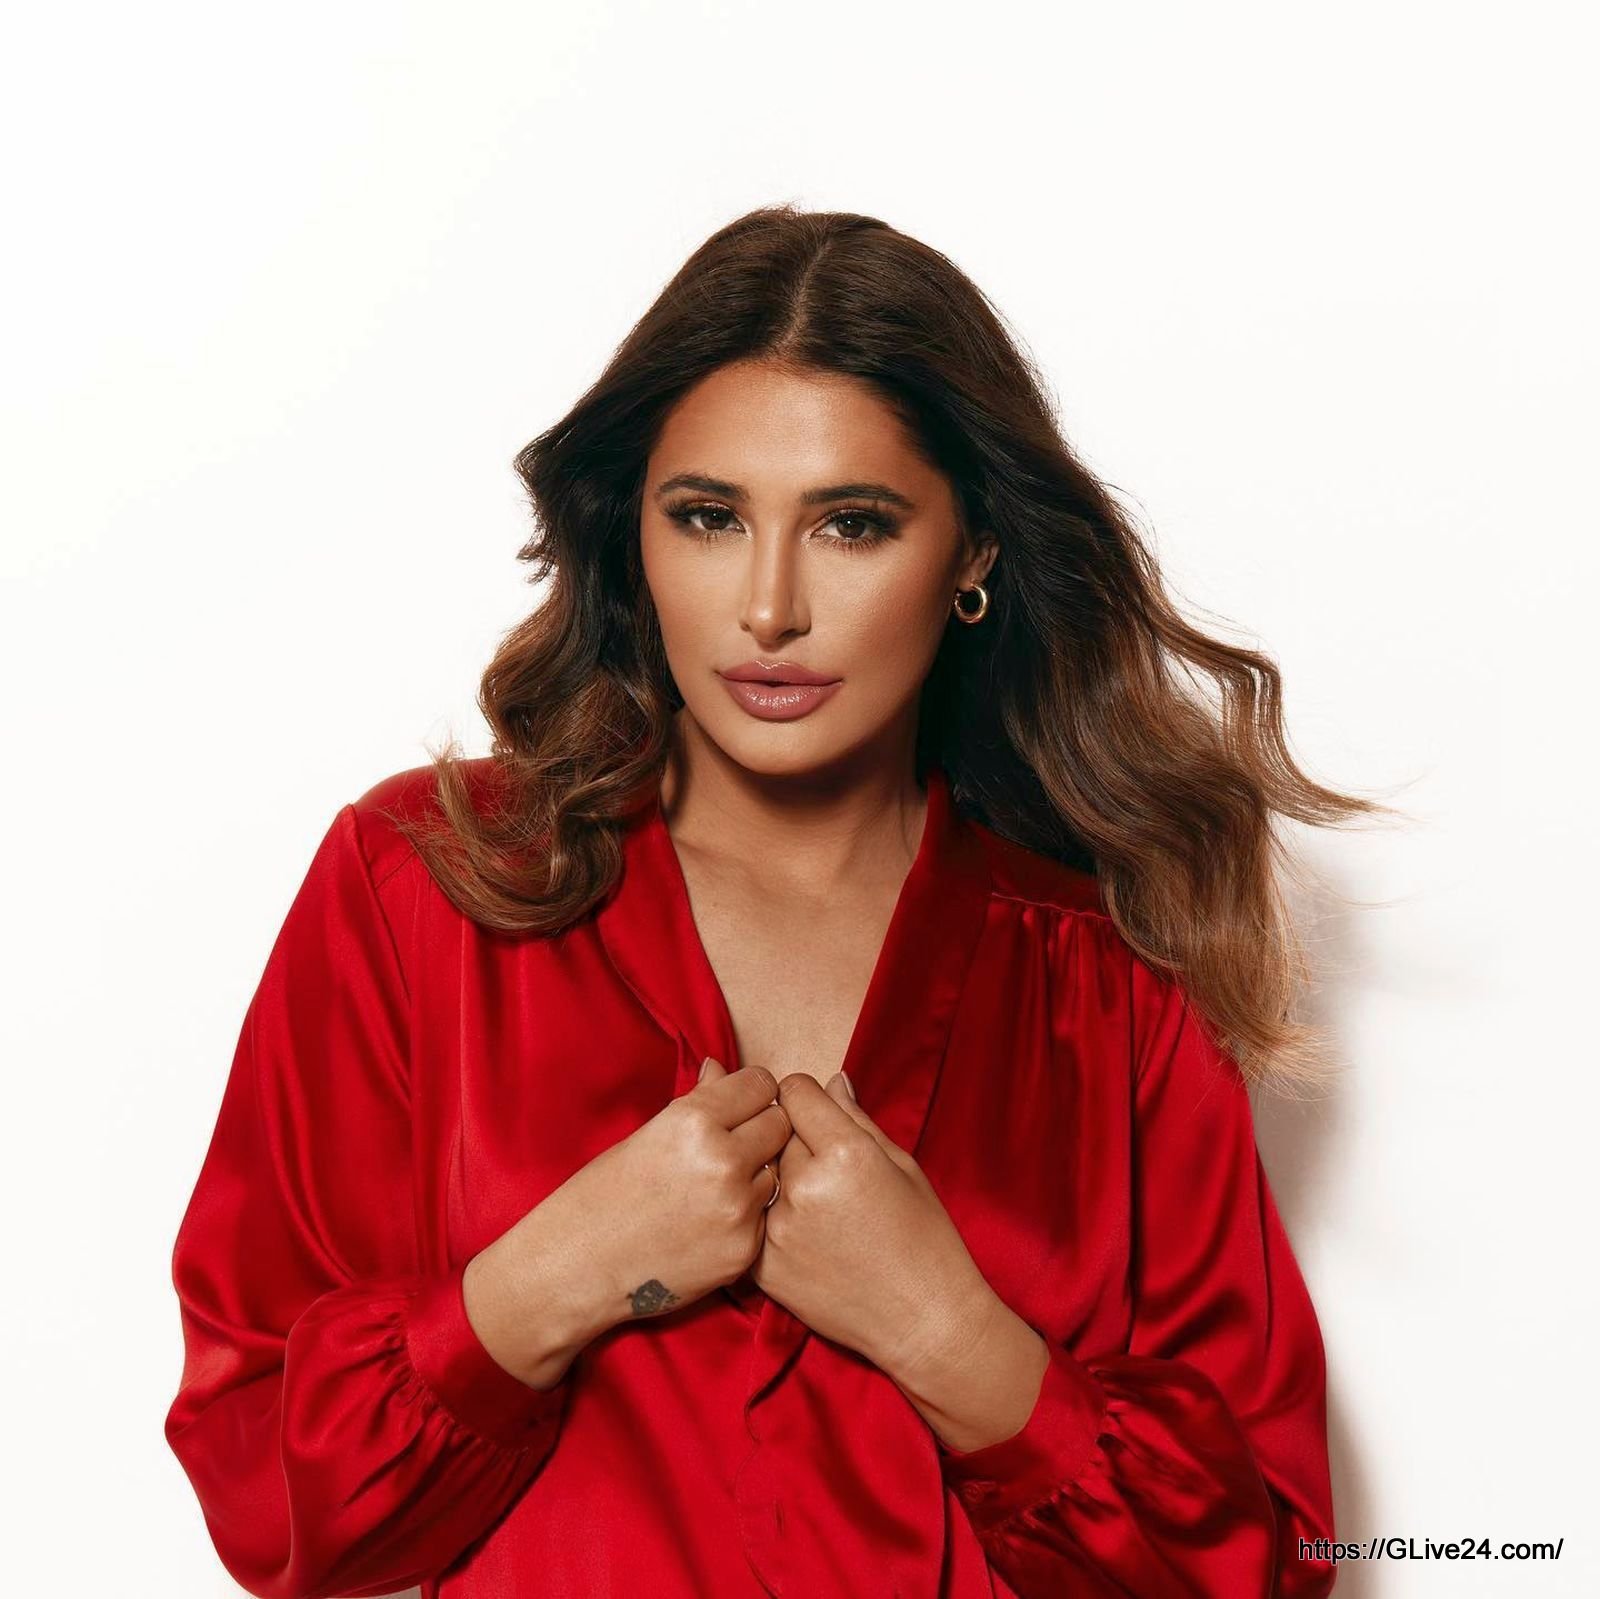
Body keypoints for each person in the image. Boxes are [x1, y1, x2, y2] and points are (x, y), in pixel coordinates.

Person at [164, 205, 1375, 1598]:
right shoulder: (423, 887)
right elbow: (266, 1490)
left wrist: (945, 1331)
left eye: (853, 525)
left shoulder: (1112, 980)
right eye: (709, 518)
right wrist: (565, 1270)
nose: (768, 610)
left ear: (973, 552)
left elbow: (1270, 1556)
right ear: (633, 534)